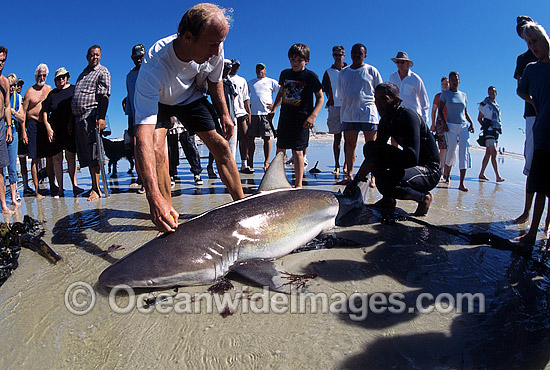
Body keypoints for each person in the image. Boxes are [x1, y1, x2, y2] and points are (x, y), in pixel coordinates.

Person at [134, 3, 245, 232]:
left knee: (221, 146)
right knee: (157, 152)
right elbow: (141, 137)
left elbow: (215, 82)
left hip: (190, 97)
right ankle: (168, 216)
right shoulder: (155, 65)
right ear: (188, 38)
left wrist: (224, 114)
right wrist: (152, 197)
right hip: (161, 101)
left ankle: (244, 207)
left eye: (220, 43)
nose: (217, 52)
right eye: (212, 44)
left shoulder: (216, 46)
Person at [344, 82, 440, 216]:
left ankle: (423, 198)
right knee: (370, 148)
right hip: (411, 165)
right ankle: (388, 199)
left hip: (428, 171)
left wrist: (377, 162)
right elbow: (375, 152)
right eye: (376, 99)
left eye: (384, 99)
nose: (378, 104)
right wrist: (355, 181)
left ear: (396, 101)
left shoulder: (408, 116)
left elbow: (412, 157)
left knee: (389, 181)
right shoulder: (385, 120)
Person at [271, 43, 324, 188]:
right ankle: (278, 181)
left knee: (297, 152)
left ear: (306, 60)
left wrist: (313, 116)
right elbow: (281, 93)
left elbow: (320, 98)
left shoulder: (311, 76)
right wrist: (274, 109)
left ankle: (298, 184)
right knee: (280, 150)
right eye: (292, 59)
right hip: (285, 117)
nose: (295, 63)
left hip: (302, 119)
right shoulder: (285, 74)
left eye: (299, 60)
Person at [516, 21, 550, 243]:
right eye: (529, 44)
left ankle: (547, 229)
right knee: (538, 185)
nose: (533, 47)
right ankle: (532, 231)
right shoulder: (531, 68)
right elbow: (520, 90)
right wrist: (535, 103)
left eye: (535, 41)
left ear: (544, 38)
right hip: (543, 131)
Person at [337, 43, 382, 185]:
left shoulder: (371, 70)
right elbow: (340, 93)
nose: (357, 55)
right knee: (350, 145)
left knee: (372, 147)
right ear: (350, 54)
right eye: (355, 53)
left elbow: (380, 91)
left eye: (360, 53)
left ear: (365, 55)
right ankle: (349, 175)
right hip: (349, 113)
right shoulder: (344, 72)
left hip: (368, 113)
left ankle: (373, 176)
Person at [71, 45, 111, 201]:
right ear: (87, 56)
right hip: (78, 119)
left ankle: (97, 189)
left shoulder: (102, 71)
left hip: (91, 115)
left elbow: (105, 96)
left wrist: (101, 117)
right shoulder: (83, 73)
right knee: (85, 155)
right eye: (92, 55)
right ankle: (93, 186)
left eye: (97, 55)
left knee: (95, 154)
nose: (95, 57)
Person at [41, 67, 82, 197]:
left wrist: (71, 122)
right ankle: (60, 188)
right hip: (55, 129)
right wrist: (48, 127)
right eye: (58, 78)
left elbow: (75, 107)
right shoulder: (52, 94)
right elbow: (45, 112)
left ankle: (74, 185)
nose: (61, 79)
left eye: (63, 77)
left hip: (70, 128)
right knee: (57, 158)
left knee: (71, 157)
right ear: (55, 80)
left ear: (67, 77)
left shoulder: (73, 89)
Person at [514, 15, 539, 225]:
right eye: (522, 31)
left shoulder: (546, 51)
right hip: (532, 114)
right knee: (532, 161)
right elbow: (520, 89)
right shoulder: (523, 59)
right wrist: (535, 103)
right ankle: (526, 212)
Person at [439, 71, 474, 192]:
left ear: (459, 81)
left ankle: (461, 183)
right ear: (450, 81)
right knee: (451, 151)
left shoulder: (463, 95)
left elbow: (465, 112)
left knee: (464, 153)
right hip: (450, 127)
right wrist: (443, 123)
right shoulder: (445, 94)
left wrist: (471, 123)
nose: (455, 81)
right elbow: (440, 110)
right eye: (452, 79)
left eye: (457, 79)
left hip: (463, 126)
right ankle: (447, 175)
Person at [21, 64, 52, 199]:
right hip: (32, 124)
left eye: (44, 75)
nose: (42, 77)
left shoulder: (49, 89)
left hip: (45, 124)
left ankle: (53, 184)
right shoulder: (30, 92)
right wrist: (23, 130)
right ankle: (37, 190)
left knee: (49, 155)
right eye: (39, 75)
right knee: (35, 158)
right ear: (35, 76)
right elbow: (23, 112)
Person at [247, 63, 279, 172]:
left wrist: (274, 106)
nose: (259, 70)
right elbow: (244, 96)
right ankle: (250, 162)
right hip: (253, 114)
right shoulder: (250, 83)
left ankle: (266, 162)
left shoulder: (271, 82)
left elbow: (282, 92)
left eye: (261, 68)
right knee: (251, 138)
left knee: (266, 138)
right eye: (257, 69)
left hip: (266, 114)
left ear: (265, 70)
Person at [322, 45, 347, 175]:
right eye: (336, 55)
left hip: (348, 106)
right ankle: (337, 165)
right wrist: (332, 98)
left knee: (349, 138)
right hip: (334, 106)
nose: (338, 57)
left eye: (340, 54)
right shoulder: (328, 72)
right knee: (336, 137)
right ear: (333, 56)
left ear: (344, 55)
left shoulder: (349, 69)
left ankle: (347, 165)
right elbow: (324, 88)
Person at [389, 51, 430, 124]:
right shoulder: (392, 77)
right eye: (398, 62)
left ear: (407, 64)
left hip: (412, 116)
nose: (399, 64)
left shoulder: (415, 79)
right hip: (396, 116)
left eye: (402, 62)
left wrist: (424, 117)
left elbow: (423, 99)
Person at [125, 44, 145, 190]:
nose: (138, 59)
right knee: (138, 150)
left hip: (153, 116)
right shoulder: (129, 76)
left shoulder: (152, 70)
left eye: (141, 56)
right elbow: (130, 100)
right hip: (136, 118)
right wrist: (130, 122)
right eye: (136, 57)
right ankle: (141, 178)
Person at [228, 59, 252, 172]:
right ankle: (230, 163)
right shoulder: (225, 79)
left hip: (241, 113)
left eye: (237, 66)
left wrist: (249, 113)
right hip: (229, 113)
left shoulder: (242, 80)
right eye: (234, 65)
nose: (235, 68)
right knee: (229, 140)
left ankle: (244, 163)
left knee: (245, 137)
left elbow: (245, 98)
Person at [477, 86, 505, 182]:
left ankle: (481, 174)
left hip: (495, 131)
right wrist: (485, 127)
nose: (491, 93)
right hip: (489, 131)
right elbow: (479, 118)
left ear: (496, 93)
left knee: (488, 153)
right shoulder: (484, 104)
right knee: (494, 152)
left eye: (493, 92)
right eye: (490, 91)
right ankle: (498, 176)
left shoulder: (497, 106)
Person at [0, 46, 15, 214]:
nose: (0, 63)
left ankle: (3, 205)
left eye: (2, 60)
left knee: (1, 166)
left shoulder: (4, 81)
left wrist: (9, 127)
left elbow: (6, 106)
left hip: (1, 125)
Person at [167, 116, 203, 185]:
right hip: (170, 117)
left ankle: (197, 172)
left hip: (185, 117)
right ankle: (171, 172)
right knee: (170, 147)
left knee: (189, 145)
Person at [6, 74, 22, 205]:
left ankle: (13, 195)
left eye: (14, 85)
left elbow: (22, 118)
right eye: (10, 85)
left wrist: (13, 112)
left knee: (12, 165)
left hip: (14, 131)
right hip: (2, 130)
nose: (12, 88)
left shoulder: (18, 98)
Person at [430, 77, 449, 179]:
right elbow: (433, 111)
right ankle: (441, 171)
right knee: (443, 147)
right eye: (443, 84)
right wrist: (433, 124)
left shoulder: (453, 96)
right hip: (440, 123)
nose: (444, 85)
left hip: (451, 123)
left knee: (450, 148)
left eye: (446, 83)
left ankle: (447, 171)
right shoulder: (438, 96)